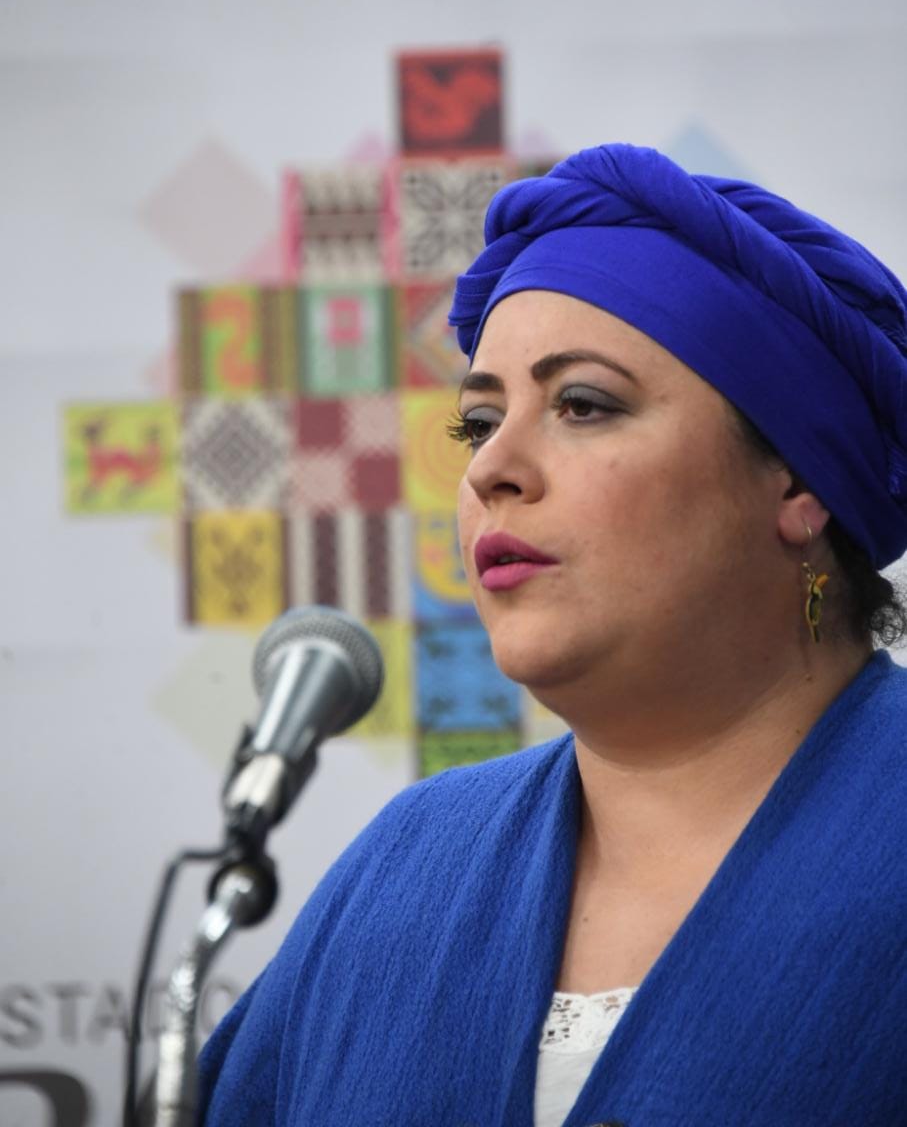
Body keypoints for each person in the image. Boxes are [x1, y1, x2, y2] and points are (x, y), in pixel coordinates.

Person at [198, 144, 907, 1126]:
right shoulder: (405, 864)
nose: (491, 467)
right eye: (477, 422)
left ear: (797, 482)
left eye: (582, 404)